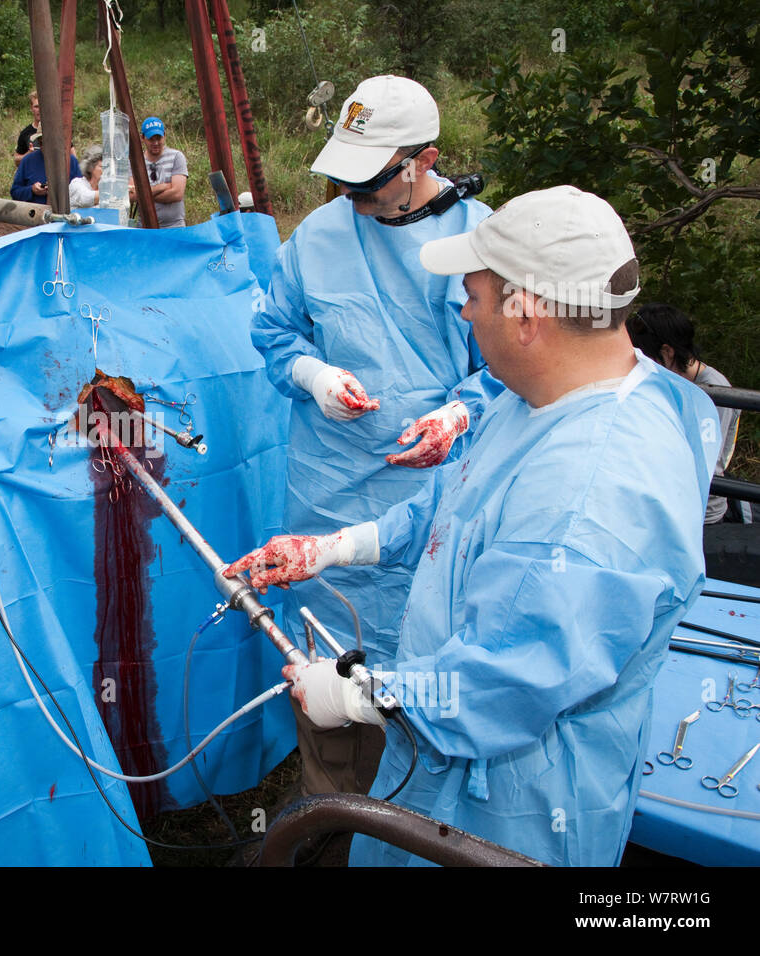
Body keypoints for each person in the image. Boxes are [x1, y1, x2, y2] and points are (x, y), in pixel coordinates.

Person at [229, 186, 718, 866]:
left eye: (473, 296)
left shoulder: (592, 497)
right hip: (451, 769)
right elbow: (453, 504)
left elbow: (503, 683)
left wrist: (354, 694)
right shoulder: (546, 398)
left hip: (508, 811)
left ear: (525, 314)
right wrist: (340, 546)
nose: (462, 310)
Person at [248, 75, 499, 798]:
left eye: (370, 181)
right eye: (343, 178)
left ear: (425, 160)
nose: (353, 197)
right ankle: (328, 811)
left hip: (434, 497)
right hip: (327, 488)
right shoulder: (320, 237)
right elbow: (273, 330)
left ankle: (408, 817)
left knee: (422, 673)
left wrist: (459, 414)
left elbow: (515, 371)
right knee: (324, 667)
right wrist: (314, 374)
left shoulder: (479, 241)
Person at [627, 303, 739, 523]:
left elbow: (708, 462)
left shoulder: (715, 392)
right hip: (667, 497)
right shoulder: (668, 379)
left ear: (667, 352)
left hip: (700, 510)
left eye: (644, 357)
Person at [129, 117, 187, 228]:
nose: (156, 143)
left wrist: (143, 194)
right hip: (145, 228)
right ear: (143, 138)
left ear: (164, 135)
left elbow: (177, 194)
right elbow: (131, 196)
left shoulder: (176, 157)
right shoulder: (135, 162)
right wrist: (162, 187)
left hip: (174, 226)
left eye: (159, 138)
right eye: (151, 139)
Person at [10, 130, 81, 205]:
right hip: (34, 213)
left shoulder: (71, 161)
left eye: (49, 142)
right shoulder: (28, 160)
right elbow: (15, 192)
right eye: (41, 143)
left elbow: (81, 192)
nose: (45, 147)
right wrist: (32, 190)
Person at [14, 89, 42, 166]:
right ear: (31, 108)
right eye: (36, 106)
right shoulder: (25, 133)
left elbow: (72, 155)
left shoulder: (56, 131)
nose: (39, 110)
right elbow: (16, 161)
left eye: (42, 106)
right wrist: (29, 154)